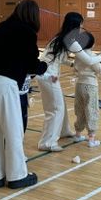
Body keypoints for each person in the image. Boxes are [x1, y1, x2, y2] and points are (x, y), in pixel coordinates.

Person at [0, 0, 47, 189]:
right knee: (13, 130)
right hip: (4, 83)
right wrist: (44, 66)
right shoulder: (27, 32)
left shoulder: (2, 26)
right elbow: (32, 65)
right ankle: (17, 176)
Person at [36, 12, 85, 152]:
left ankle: (64, 131)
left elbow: (60, 58)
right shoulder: (69, 41)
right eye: (81, 24)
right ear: (76, 25)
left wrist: (71, 64)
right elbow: (86, 58)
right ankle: (47, 143)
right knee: (55, 109)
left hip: (48, 75)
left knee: (60, 104)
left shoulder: (60, 38)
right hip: (48, 76)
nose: (82, 27)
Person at [72, 32, 101, 147]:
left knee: (80, 110)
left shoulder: (79, 56)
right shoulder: (92, 57)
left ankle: (77, 135)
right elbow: (100, 71)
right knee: (91, 110)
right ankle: (91, 140)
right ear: (92, 44)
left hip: (79, 86)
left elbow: (75, 69)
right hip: (91, 87)